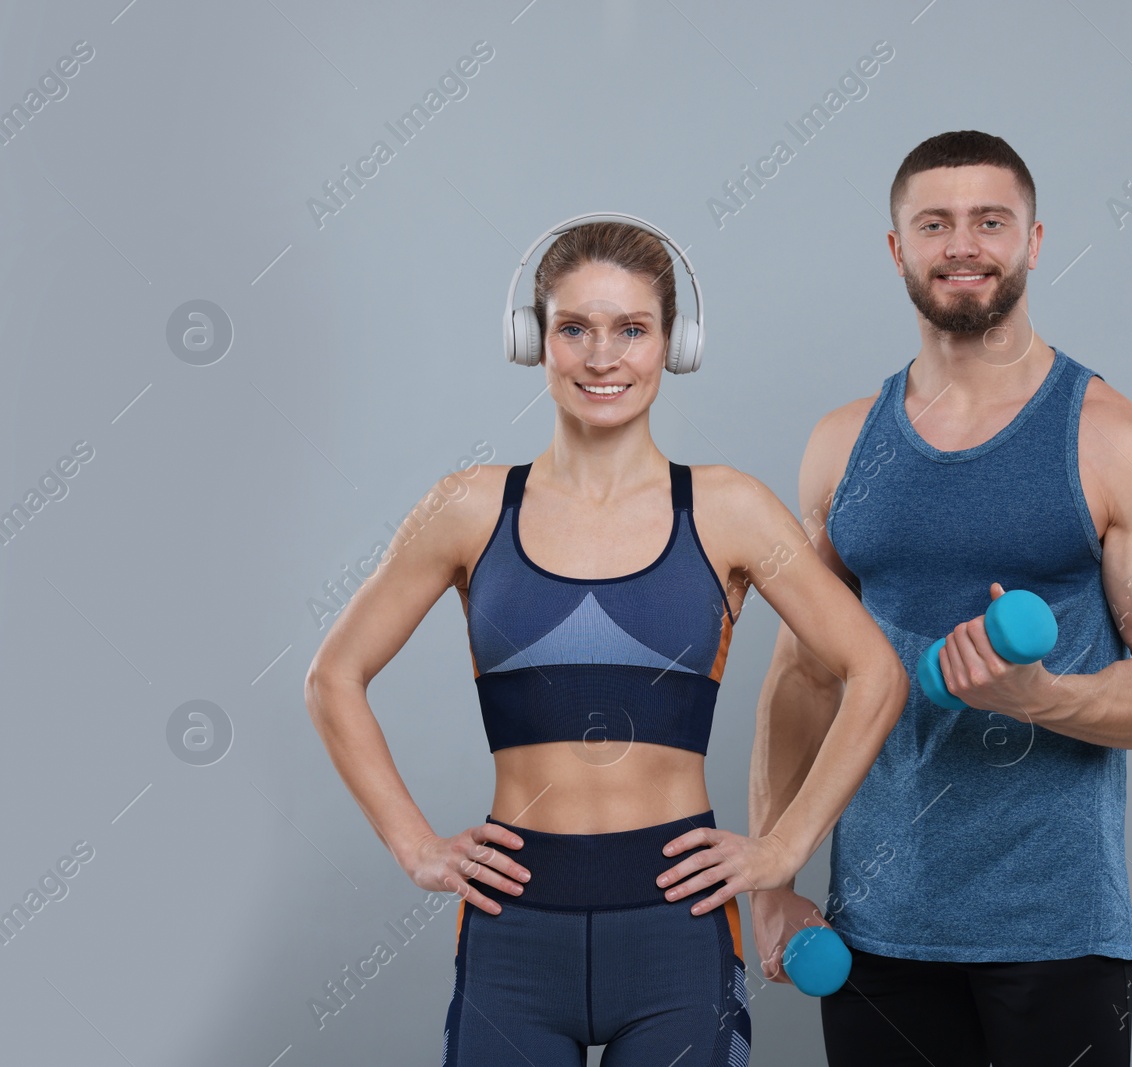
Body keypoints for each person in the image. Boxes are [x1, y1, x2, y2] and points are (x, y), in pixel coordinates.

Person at [304, 219, 907, 1066]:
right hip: (513, 936)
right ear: (532, 340)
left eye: (632, 329)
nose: (602, 357)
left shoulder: (728, 508)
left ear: (675, 343)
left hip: (677, 936)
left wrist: (784, 847)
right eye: (573, 328)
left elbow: (873, 672)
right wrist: (415, 843)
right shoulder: (471, 507)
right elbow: (333, 676)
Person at [748, 130, 1132, 1066]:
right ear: (898, 250)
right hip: (877, 925)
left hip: (1057, 929)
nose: (963, 243)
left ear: (1034, 241)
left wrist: (1044, 698)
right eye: (935, 223)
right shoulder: (843, 447)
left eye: (990, 221)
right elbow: (802, 674)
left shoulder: (1120, 443)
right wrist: (769, 877)